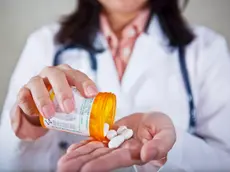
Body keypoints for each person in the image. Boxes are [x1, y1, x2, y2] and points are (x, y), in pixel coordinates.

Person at [0, 0, 230, 171]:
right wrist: (31, 123)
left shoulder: (207, 49)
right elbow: (6, 163)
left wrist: (172, 149)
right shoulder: (45, 44)